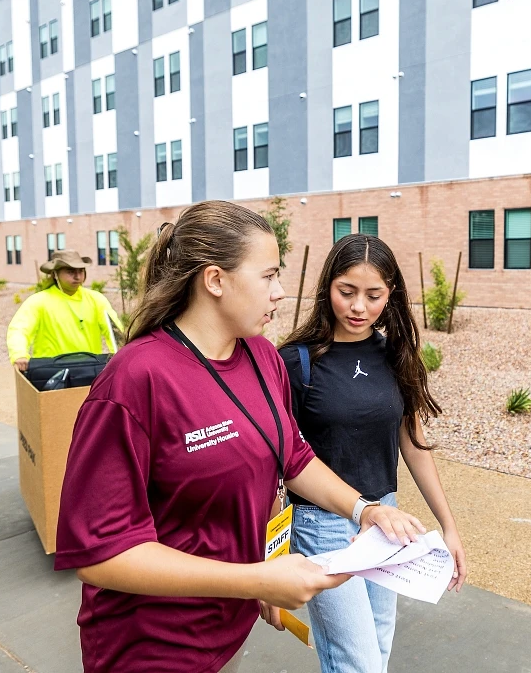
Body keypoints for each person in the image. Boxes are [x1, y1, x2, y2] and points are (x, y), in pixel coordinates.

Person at [54, 201, 427, 673]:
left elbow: (290, 457)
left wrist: (365, 509)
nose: (280, 292)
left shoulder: (261, 356)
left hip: (227, 632)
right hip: (149, 646)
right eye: (269, 276)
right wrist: (255, 579)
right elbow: (101, 556)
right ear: (215, 280)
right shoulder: (135, 379)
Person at [275, 234, 468, 673]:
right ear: (328, 287)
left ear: (391, 294)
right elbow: (280, 463)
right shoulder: (295, 362)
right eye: (347, 292)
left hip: (388, 523)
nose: (359, 306)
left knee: (376, 654)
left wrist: (448, 527)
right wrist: (270, 560)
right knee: (356, 664)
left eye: (373, 295)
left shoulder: (396, 354)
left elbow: (414, 443)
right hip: (319, 527)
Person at [7, 249, 121, 374]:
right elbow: (19, 329)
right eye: (70, 271)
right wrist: (19, 354)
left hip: (89, 370)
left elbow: (114, 330)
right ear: (55, 274)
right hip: (50, 372)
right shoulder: (38, 301)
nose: (77, 276)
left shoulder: (96, 299)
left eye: (81, 271)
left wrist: (121, 355)